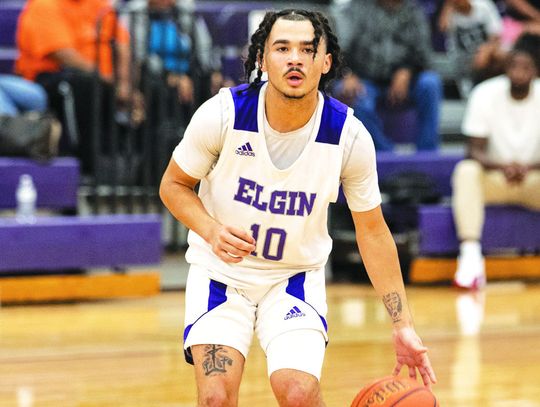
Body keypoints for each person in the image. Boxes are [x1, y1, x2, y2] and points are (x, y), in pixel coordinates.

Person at [160, 8, 436, 406]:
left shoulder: (348, 136)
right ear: (262, 58)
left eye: (307, 50)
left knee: (298, 393)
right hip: (220, 275)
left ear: (325, 62)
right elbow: (173, 185)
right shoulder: (222, 114)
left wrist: (402, 325)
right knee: (215, 398)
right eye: (282, 48)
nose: (294, 58)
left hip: (293, 278)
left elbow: (372, 232)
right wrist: (211, 230)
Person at [451, 36, 540, 290]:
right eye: (514, 66)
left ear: (535, 71)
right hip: (495, 177)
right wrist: (504, 168)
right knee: (466, 171)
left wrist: (527, 168)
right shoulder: (485, 93)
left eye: (526, 67)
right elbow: (473, 150)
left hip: (534, 179)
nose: (519, 72)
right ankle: (470, 259)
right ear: (506, 68)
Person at [15, 0, 140, 173]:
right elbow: (63, 55)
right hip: (51, 78)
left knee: (155, 84)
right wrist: (111, 82)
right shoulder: (44, 5)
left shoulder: (99, 4)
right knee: (81, 84)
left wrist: (125, 84)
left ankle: (146, 170)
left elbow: (122, 45)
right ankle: (87, 166)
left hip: (106, 80)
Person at [330, 0, 442, 151]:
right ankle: (384, 154)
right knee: (354, 94)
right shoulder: (356, 9)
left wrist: (407, 70)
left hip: (407, 80)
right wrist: (347, 73)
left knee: (430, 83)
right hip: (365, 78)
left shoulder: (414, 12)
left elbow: (424, 54)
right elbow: (339, 48)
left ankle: (427, 153)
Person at [438, 0, 506, 88]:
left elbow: (496, 35)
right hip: (462, 58)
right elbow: (443, 28)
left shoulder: (483, 5)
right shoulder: (450, 12)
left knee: (501, 55)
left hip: (485, 53)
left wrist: (486, 51)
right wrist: (448, 7)